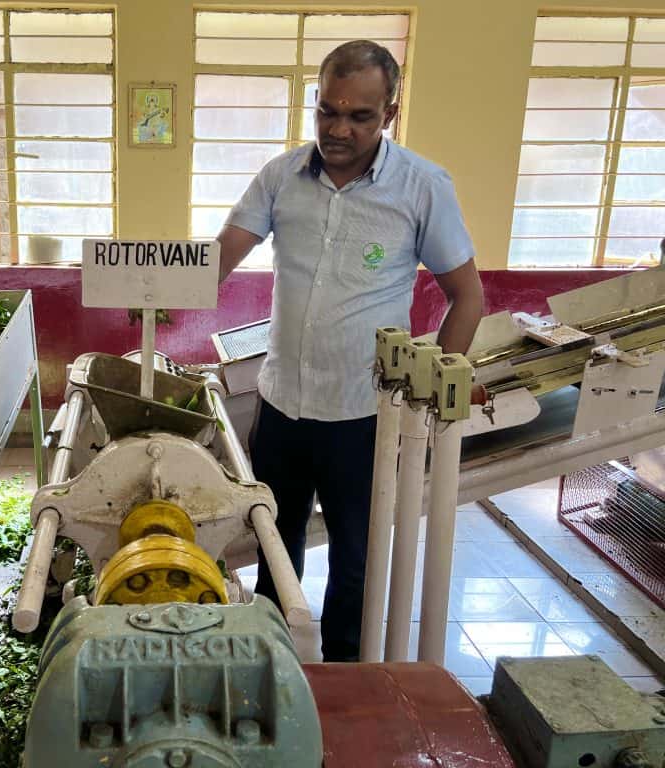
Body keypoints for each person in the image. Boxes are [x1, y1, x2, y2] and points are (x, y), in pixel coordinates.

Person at [217, 40, 484, 661]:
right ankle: (273, 667)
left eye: (359, 116)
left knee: (356, 562)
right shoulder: (282, 177)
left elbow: (467, 297)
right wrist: (147, 285)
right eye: (326, 111)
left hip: (364, 415)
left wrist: (434, 386)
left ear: (389, 113)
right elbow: (216, 261)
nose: (338, 129)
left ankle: (345, 685)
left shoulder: (422, 187)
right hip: (281, 406)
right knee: (274, 549)